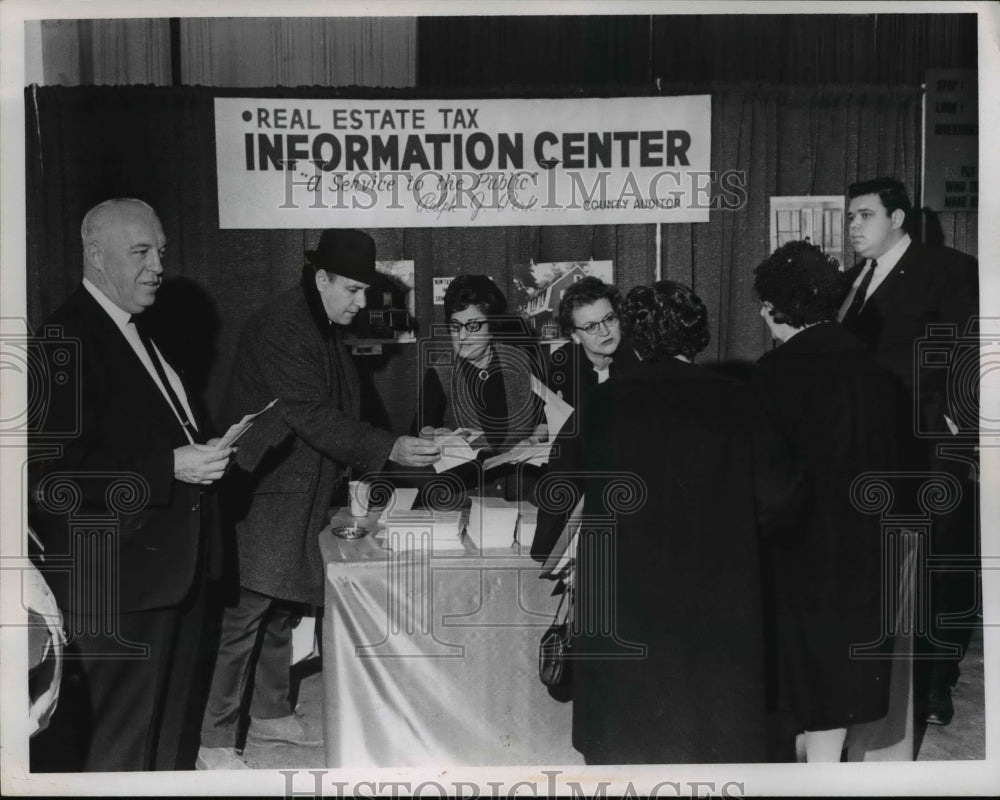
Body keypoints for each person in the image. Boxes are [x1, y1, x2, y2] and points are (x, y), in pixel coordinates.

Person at [197, 229, 440, 769]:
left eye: (365, 291)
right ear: (320, 277)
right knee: (245, 615)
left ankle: (271, 713)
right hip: (266, 491)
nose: (361, 303)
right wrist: (390, 446)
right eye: (352, 290)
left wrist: (378, 449)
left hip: (296, 489)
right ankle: (212, 743)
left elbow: (341, 409)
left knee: (279, 607)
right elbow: (311, 414)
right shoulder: (285, 326)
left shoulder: (321, 322)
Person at [537, 280, 800, 764]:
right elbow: (780, 501)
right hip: (713, 594)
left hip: (622, 598)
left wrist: (542, 550)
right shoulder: (738, 399)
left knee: (624, 737)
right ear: (696, 333)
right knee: (710, 731)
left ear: (634, 334)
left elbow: (557, 492)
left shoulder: (599, 402)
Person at [28, 198, 233, 771]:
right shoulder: (64, 338)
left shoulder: (140, 330)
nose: (157, 266)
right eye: (140, 252)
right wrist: (170, 465)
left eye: (161, 252)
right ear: (95, 256)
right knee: (119, 751)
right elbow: (52, 478)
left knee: (167, 742)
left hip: (171, 575)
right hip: (119, 587)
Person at [752, 240, 901, 761]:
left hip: (795, 558)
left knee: (796, 686)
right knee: (838, 691)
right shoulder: (879, 376)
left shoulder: (770, 378)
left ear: (771, 310)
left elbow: (766, 487)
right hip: (864, 555)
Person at [839, 177, 979, 727]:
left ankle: (937, 683)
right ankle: (885, 681)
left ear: (897, 219)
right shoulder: (853, 282)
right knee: (886, 566)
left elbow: (972, 348)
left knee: (940, 564)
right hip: (872, 449)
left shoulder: (949, 269)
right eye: (850, 216)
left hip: (929, 447)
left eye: (864, 215)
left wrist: (955, 429)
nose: (853, 225)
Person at [531, 276, 637, 561]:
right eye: (591, 326)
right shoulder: (561, 362)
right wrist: (540, 431)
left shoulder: (640, 358)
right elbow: (554, 415)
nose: (605, 331)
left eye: (609, 319)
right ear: (575, 335)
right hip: (575, 480)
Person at [412, 274, 545, 500]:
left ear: (492, 327)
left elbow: (546, 420)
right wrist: (436, 437)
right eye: (455, 326)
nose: (462, 336)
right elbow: (418, 432)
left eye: (473, 326)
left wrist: (533, 440)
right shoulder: (440, 372)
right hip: (464, 498)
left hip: (522, 496)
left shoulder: (521, 363)